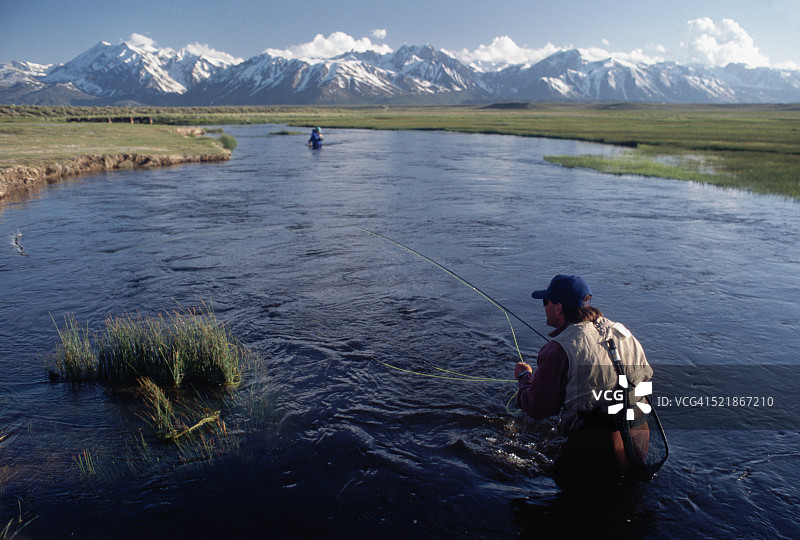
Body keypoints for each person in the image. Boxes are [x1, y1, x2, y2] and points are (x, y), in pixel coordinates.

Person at [514, 274, 653, 492]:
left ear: (558, 307)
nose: (544, 307)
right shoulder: (622, 331)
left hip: (598, 448)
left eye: (545, 301)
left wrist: (524, 377)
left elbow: (537, 407)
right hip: (639, 436)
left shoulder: (557, 350)